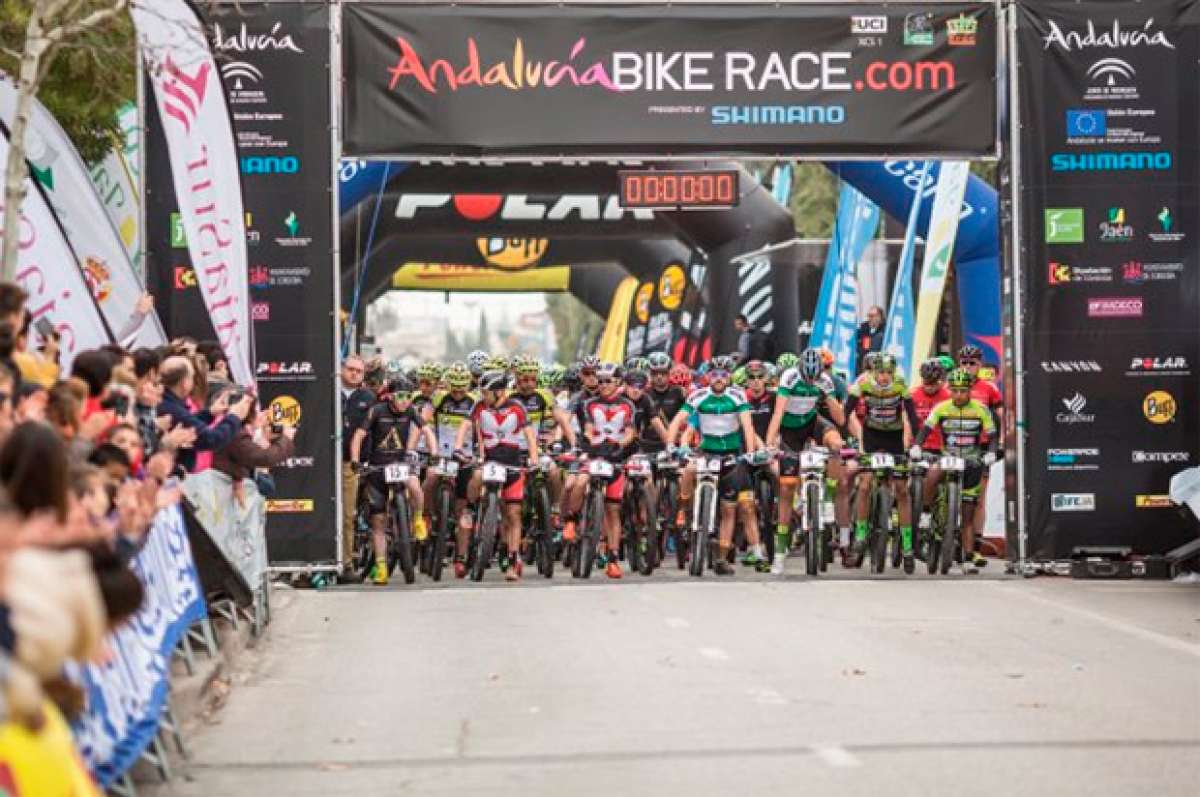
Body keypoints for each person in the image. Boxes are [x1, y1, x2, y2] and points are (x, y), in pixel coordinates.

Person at [666, 355, 766, 575]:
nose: (719, 378)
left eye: (723, 374)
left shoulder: (737, 395)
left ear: (729, 377)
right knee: (690, 469)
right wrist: (671, 445)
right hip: (706, 451)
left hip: (731, 455)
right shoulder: (698, 395)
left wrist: (750, 453)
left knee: (729, 509)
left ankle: (721, 558)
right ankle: (685, 510)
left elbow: (748, 426)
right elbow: (677, 421)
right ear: (708, 376)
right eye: (714, 374)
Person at [765, 348, 850, 573]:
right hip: (790, 430)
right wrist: (770, 443)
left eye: (815, 377)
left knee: (836, 443)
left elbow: (840, 418)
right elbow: (778, 413)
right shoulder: (789, 377)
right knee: (786, 488)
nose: (811, 380)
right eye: (808, 377)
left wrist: (827, 394)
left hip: (812, 422)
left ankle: (829, 500)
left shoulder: (823, 380)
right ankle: (780, 553)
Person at [910, 368, 998, 574]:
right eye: (955, 391)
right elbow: (926, 430)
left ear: (970, 391)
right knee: (932, 473)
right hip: (947, 456)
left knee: (967, 514)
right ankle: (925, 514)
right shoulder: (942, 408)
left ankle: (966, 558)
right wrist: (917, 446)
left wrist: (991, 453)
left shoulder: (981, 409)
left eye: (963, 391)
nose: (959, 395)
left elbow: (992, 435)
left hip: (971, 460)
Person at [349, 376, 435, 585]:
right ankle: (381, 567)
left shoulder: (411, 411)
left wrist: (434, 452)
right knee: (378, 522)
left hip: (400, 463)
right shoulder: (377, 410)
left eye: (408, 397)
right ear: (391, 396)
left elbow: (427, 431)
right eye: (400, 397)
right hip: (378, 467)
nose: (405, 401)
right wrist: (355, 459)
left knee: (415, 486)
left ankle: (416, 519)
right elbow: (359, 435)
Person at [453, 370, 538, 582]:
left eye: (486, 392)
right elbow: (465, 426)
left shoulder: (517, 408)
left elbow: (529, 435)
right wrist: (457, 447)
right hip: (489, 461)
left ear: (499, 392)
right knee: (477, 476)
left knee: (513, 514)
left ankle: (512, 559)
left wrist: (534, 459)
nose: (483, 395)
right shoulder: (479, 406)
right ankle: (472, 508)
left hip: (512, 464)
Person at [844, 353, 920, 572]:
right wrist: (843, 436)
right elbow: (846, 411)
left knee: (902, 490)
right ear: (873, 371)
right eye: (881, 373)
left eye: (889, 373)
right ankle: (859, 535)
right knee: (865, 484)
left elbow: (912, 415)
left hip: (894, 437)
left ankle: (907, 546)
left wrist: (915, 443)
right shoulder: (863, 383)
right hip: (871, 436)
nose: (885, 377)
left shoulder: (900, 384)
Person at [580, 363, 639, 579]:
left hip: (615, 456)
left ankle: (613, 559)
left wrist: (620, 445)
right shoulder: (589, 404)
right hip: (595, 454)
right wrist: (586, 440)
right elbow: (588, 428)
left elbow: (631, 432)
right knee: (576, 483)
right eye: (600, 380)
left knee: (613, 510)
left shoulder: (627, 405)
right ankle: (572, 521)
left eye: (608, 381)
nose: (603, 385)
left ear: (618, 383)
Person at [156, 356, 249, 473]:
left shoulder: (169, 404)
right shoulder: (172, 409)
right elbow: (211, 439)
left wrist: (210, 413)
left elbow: (188, 424)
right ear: (184, 383)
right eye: (191, 377)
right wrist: (235, 417)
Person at [957, 344, 1003, 568]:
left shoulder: (989, 389)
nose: (967, 367)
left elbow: (1003, 417)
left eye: (972, 363)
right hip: (954, 445)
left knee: (978, 498)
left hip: (981, 445)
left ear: (980, 365)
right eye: (964, 363)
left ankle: (973, 546)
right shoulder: (951, 385)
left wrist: (1001, 442)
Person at [339, 355, 376, 577]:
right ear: (342, 370)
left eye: (358, 371)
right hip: (325, 462)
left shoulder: (368, 398)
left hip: (351, 464)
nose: (353, 373)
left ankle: (347, 563)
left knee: (347, 514)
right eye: (350, 369)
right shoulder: (328, 394)